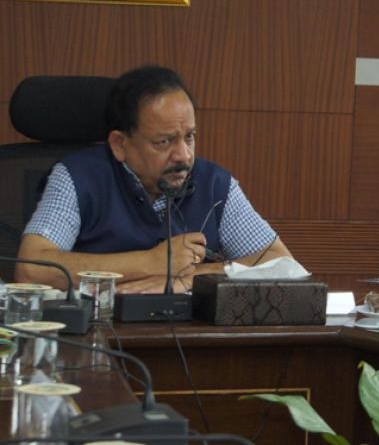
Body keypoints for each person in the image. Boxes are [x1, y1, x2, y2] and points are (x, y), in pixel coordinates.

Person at [15, 65, 292, 293]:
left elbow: (281, 264)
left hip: (191, 337)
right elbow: (31, 269)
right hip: (96, 334)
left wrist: (190, 278)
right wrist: (151, 262)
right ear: (120, 144)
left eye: (189, 137)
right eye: (164, 142)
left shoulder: (215, 184)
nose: (183, 156)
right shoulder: (77, 178)